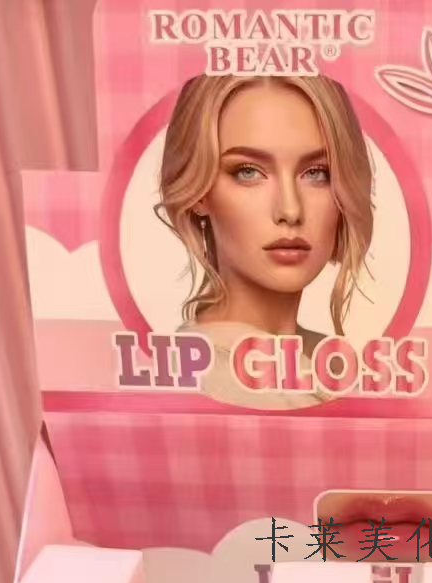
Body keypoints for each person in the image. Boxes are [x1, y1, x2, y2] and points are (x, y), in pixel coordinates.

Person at [157, 74, 374, 408]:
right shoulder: (206, 380)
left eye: (317, 172)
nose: (290, 210)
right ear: (198, 191)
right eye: (248, 171)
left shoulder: (338, 366)